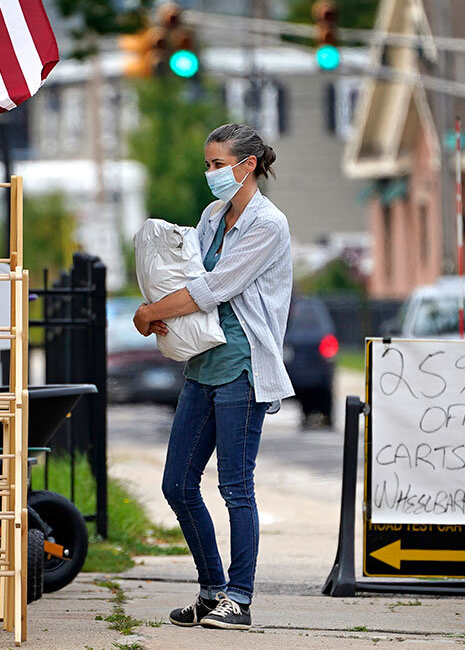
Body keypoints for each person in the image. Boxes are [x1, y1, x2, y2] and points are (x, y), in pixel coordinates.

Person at [133, 123, 293, 630]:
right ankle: (211, 589)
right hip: (203, 363)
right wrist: (158, 309)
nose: (211, 174)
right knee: (178, 484)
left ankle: (239, 599)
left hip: (242, 367)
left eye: (218, 164)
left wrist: (152, 310)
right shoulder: (212, 216)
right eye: (208, 165)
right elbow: (188, 276)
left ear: (247, 166)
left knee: (235, 486)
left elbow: (215, 289)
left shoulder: (269, 225)